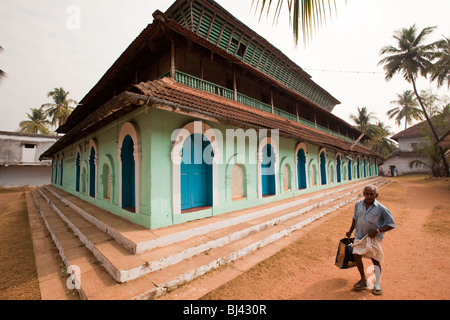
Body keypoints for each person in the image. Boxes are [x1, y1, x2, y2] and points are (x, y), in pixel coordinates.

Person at [346, 185, 396, 295]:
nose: (369, 196)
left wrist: (377, 230)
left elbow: (391, 224)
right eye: (367, 194)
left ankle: (377, 283)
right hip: (359, 236)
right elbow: (355, 218)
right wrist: (350, 231)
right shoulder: (358, 204)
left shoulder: (381, 208)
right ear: (363, 193)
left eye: (372, 194)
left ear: (376, 195)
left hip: (373, 238)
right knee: (357, 256)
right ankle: (363, 279)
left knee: (375, 259)